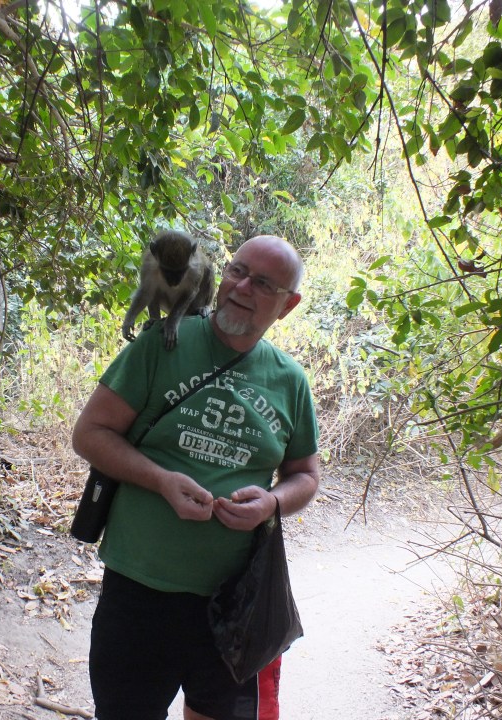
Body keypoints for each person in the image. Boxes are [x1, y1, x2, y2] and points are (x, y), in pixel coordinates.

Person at [72, 234, 320, 720]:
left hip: (235, 602)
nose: (242, 287)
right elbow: (90, 434)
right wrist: (161, 479)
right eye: (237, 270)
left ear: (287, 306)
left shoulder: (290, 381)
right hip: (139, 589)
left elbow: (305, 475)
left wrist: (271, 503)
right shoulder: (161, 345)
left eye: (263, 283)